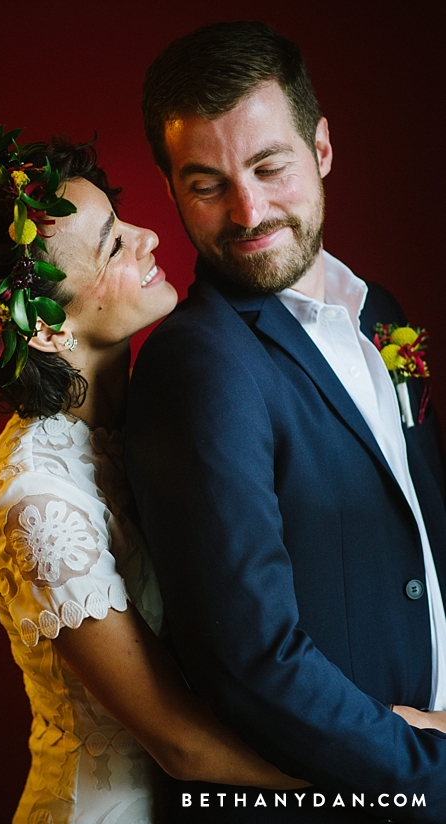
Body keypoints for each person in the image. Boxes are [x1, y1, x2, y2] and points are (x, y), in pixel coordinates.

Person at [0, 128, 311, 824]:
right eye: (114, 244)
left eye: (121, 224)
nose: (149, 236)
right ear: (47, 330)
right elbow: (180, 744)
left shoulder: (151, 409)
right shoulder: (36, 497)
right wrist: (372, 788)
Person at [125, 21, 446, 822]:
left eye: (270, 166)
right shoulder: (197, 363)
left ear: (323, 149)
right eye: (206, 185)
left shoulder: (382, 315)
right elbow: (250, 661)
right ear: (171, 190)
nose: (248, 209)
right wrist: (427, 773)